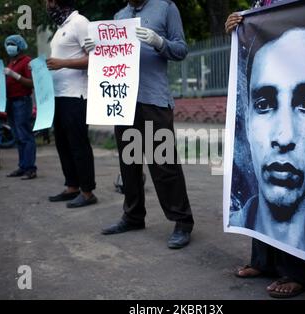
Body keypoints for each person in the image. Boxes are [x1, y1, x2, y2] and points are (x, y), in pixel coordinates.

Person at [225, 4, 305, 299]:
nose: (284, 136)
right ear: (248, 118)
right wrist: (237, 26)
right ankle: (263, 261)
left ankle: (301, 271)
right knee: (260, 187)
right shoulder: (262, 5)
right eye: (263, 104)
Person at [90, 0, 195, 249]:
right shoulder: (119, 16)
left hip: (153, 99)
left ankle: (182, 221)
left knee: (163, 164)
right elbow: (110, 59)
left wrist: (159, 42)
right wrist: (96, 50)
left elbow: (180, 50)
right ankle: (133, 215)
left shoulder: (166, 7)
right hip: (122, 100)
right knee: (129, 164)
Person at [45, 0, 98, 208]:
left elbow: (96, 57)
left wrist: (62, 63)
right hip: (58, 96)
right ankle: (72, 186)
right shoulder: (60, 28)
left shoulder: (80, 22)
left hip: (76, 96)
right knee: (62, 144)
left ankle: (87, 192)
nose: (47, 6)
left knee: (78, 144)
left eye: (49, 1)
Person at [3, 35, 37, 180]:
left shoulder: (27, 61)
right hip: (11, 101)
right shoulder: (11, 62)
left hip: (22, 102)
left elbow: (32, 83)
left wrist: (15, 75)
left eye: (13, 44)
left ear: (20, 46)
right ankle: (22, 166)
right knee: (17, 136)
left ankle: (30, 168)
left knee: (25, 135)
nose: (10, 46)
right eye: (8, 44)